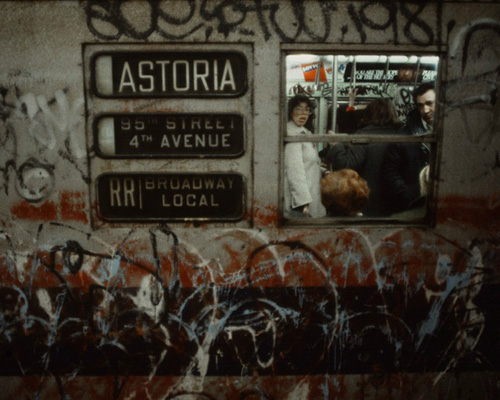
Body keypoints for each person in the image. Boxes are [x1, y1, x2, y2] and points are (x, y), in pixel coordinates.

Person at [325, 98, 403, 216]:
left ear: (370, 113)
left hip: (368, 199)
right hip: (396, 199)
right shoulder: (402, 135)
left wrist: (336, 145)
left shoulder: (364, 136)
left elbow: (346, 165)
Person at [382, 82, 435, 215]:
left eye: (430, 103)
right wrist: (407, 195)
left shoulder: (455, 132)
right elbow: (391, 171)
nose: (425, 110)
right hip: (414, 205)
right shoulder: (403, 136)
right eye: (421, 105)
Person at [284, 95, 326, 217]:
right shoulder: (292, 134)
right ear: (291, 111)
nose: (303, 113)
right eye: (298, 109)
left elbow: (308, 163)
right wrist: (303, 203)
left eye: (307, 109)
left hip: (311, 193)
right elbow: (295, 171)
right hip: (302, 202)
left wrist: (324, 171)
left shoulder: (305, 133)